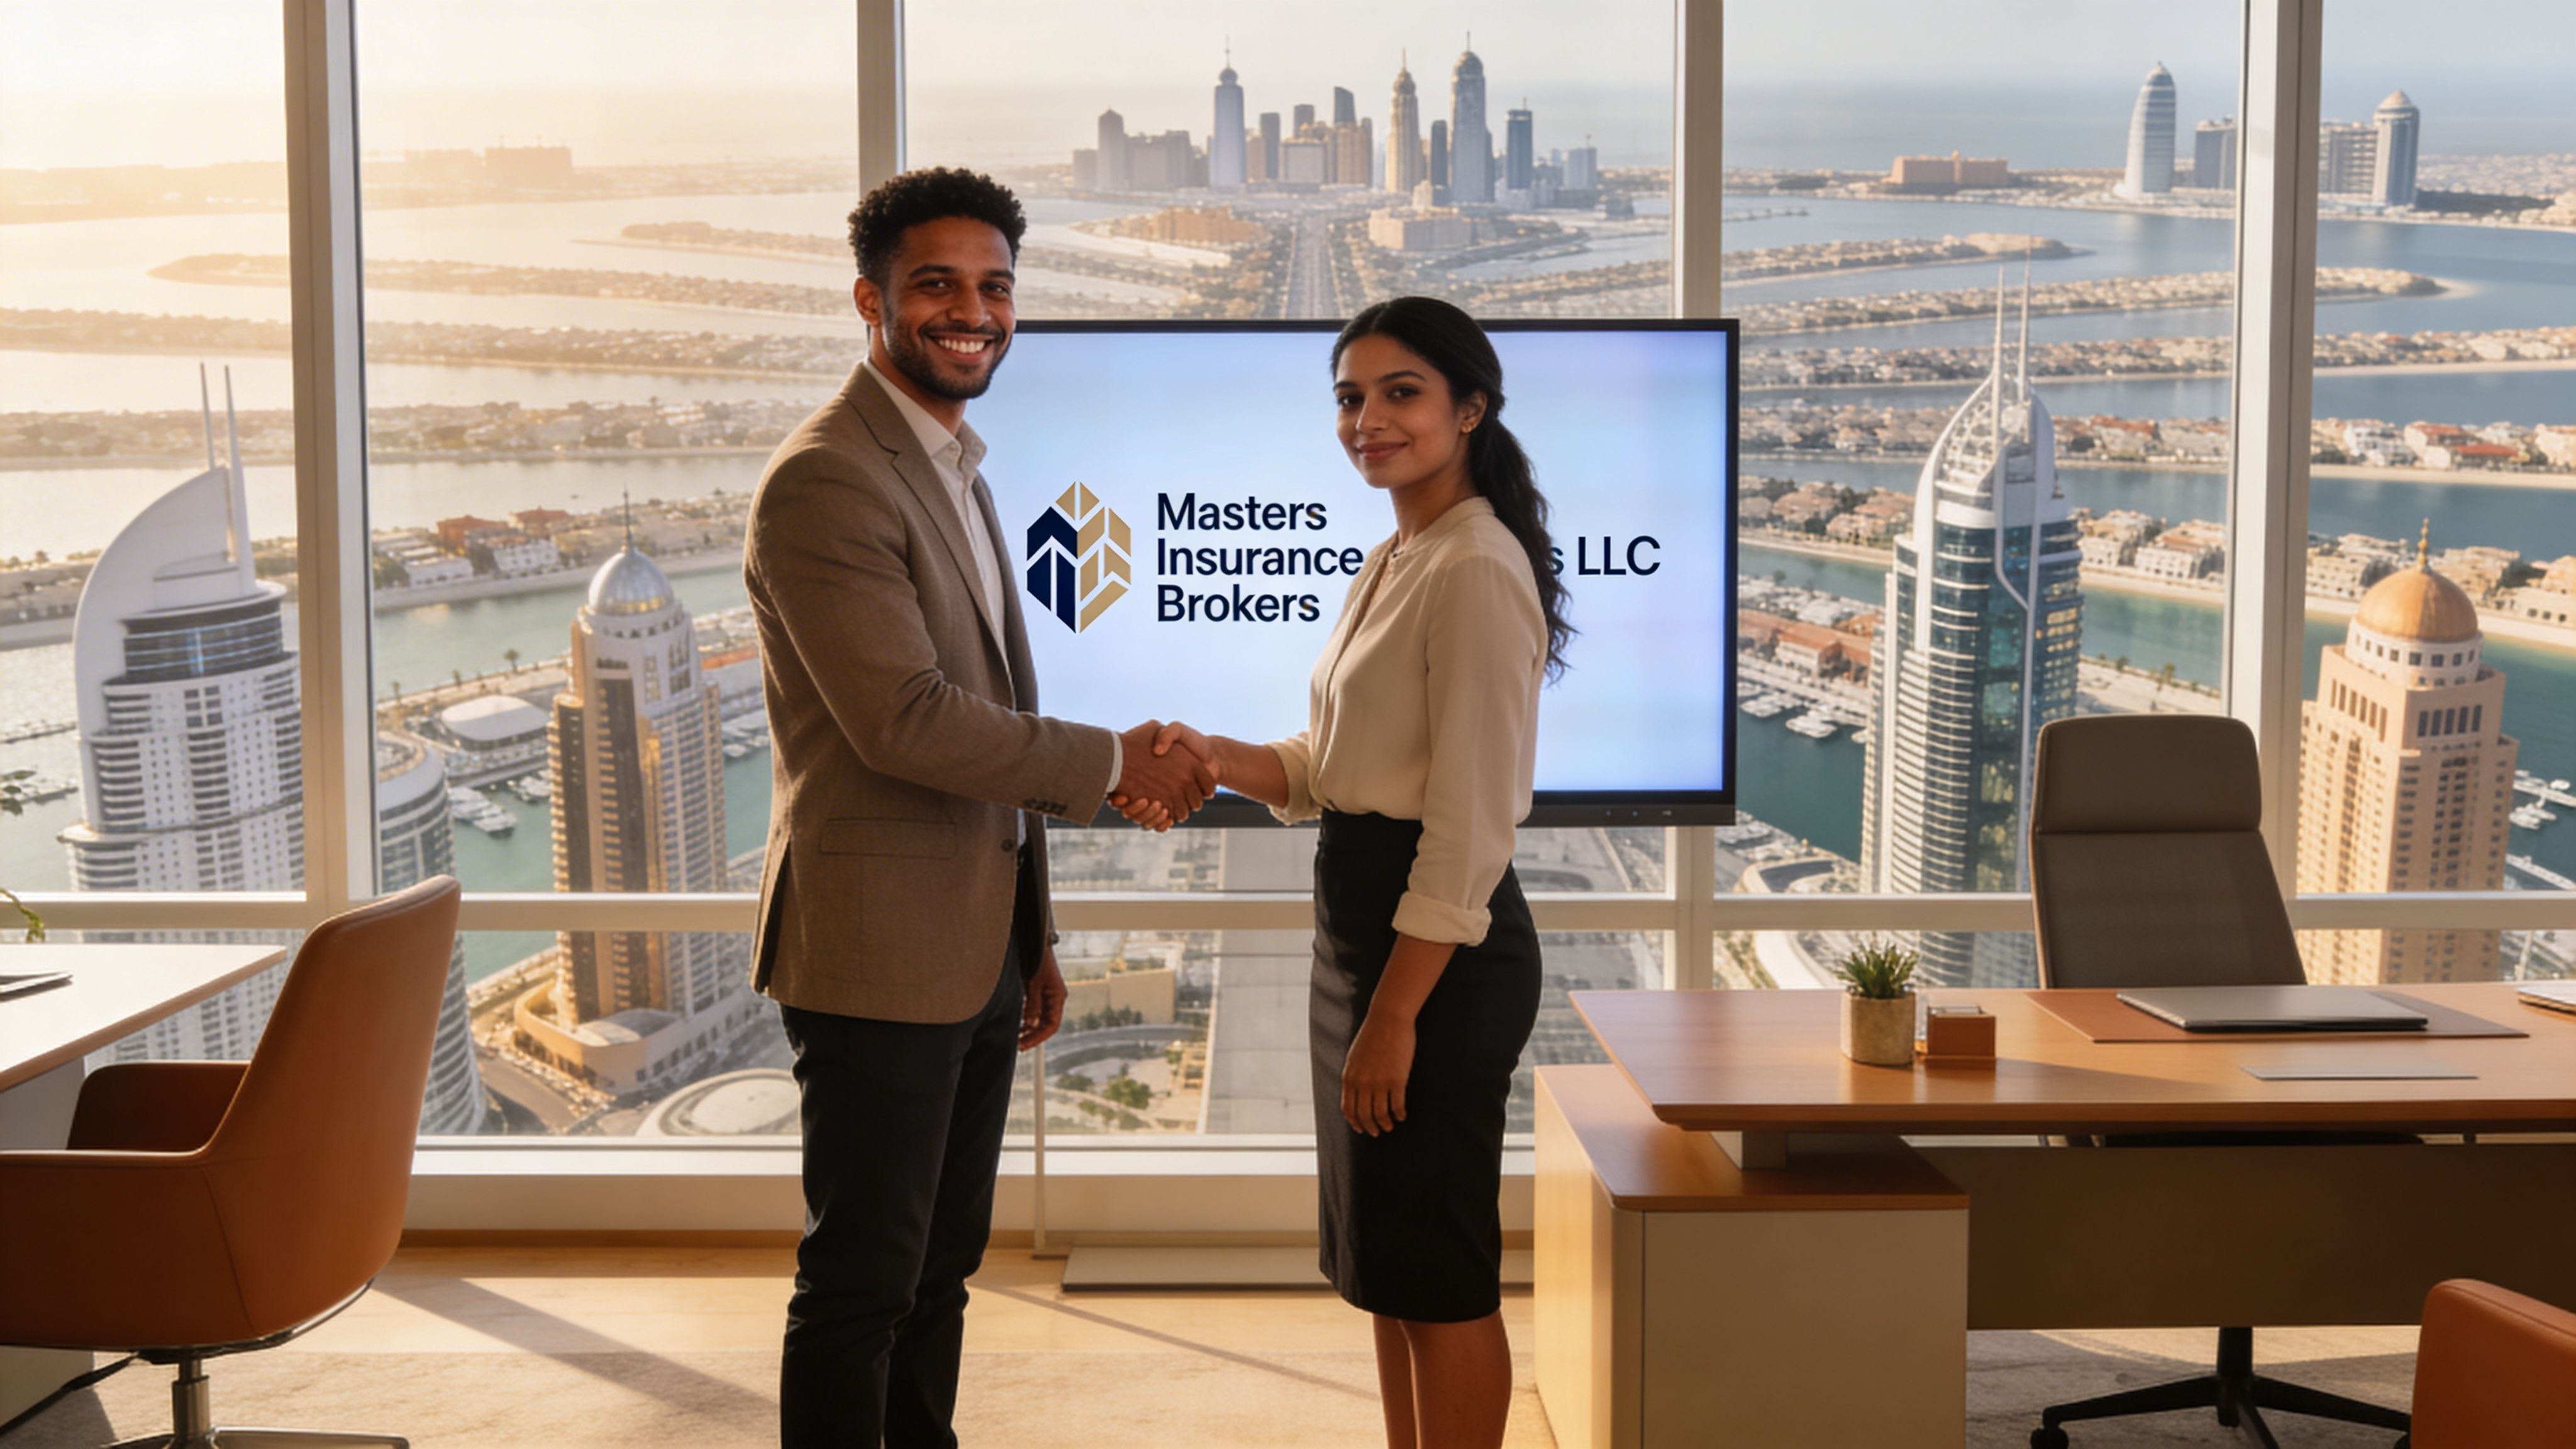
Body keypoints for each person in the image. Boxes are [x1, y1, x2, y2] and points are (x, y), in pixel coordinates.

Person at [743, 166, 1214, 1449]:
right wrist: (1119, 755)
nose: (973, 312)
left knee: (939, 1271)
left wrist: (1034, 932)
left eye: (994, 287)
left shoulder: (955, 465)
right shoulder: (829, 479)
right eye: (936, 285)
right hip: (876, 954)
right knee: (860, 1285)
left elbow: (988, 697)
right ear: (870, 301)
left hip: (972, 947)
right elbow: (904, 720)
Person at [1131, 296, 1571, 1449]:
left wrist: (1394, 1016)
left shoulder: (1474, 565)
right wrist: (1209, 756)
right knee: (1386, 1267)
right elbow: (1332, 768)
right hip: (1369, 935)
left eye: (1400, 392)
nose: (1366, 419)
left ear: (1471, 408)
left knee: (1442, 1274)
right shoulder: (1402, 552)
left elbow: (1471, 828)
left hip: (1434, 961)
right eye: (1349, 397)